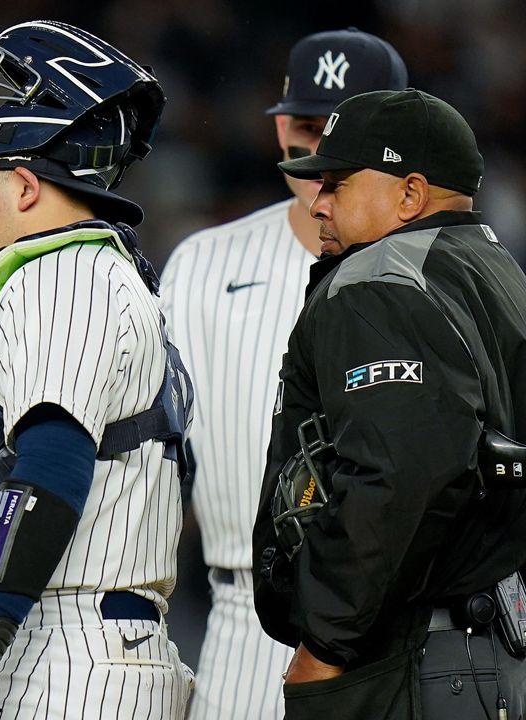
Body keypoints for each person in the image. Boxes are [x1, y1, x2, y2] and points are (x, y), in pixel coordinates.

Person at [0, 21, 195, 718]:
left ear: (24, 187)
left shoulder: (58, 275)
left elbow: (50, 466)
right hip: (84, 637)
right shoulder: (103, 271)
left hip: (66, 650)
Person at [253, 88, 526, 719]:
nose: (317, 203)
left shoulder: (378, 280)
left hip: (410, 658)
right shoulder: (495, 269)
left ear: (410, 194)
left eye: (338, 183)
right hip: (487, 643)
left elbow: (403, 472)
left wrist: (326, 639)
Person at [159, 29, 407, 719]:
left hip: (402, 630)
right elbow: (158, 459)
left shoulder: (448, 269)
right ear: (277, 132)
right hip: (245, 618)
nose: (320, 151)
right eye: (306, 126)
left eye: (343, 127)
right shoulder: (204, 263)